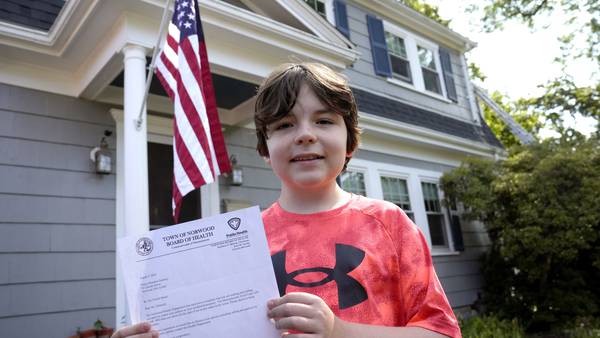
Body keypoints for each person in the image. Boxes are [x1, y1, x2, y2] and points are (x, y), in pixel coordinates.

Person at [112, 63, 460, 338]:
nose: (305, 134)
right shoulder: (239, 244)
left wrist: (338, 331)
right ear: (265, 150)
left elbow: (441, 331)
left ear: (350, 142)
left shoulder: (388, 223)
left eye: (324, 120)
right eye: (283, 125)